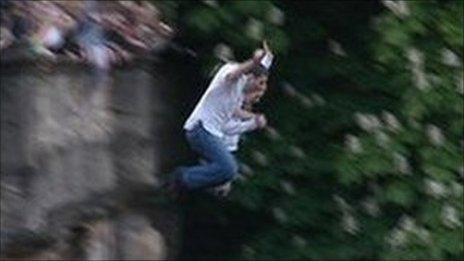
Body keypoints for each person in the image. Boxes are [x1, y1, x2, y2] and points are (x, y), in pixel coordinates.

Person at [166, 41, 274, 196]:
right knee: (229, 168)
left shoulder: (239, 94)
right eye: (259, 83)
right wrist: (254, 62)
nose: (260, 89)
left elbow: (234, 112)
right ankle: (181, 178)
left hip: (210, 133)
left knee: (227, 171)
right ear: (250, 76)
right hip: (201, 128)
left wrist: (253, 118)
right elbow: (234, 74)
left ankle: (185, 182)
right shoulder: (229, 73)